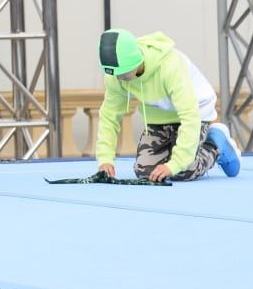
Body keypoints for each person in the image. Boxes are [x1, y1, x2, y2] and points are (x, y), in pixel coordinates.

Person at [93, 28, 241, 182]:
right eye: (115, 74)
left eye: (123, 74)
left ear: (136, 62)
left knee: (185, 170)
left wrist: (175, 164)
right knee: (145, 172)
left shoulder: (170, 66)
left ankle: (216, 142)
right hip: (158, 117)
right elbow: (109, 117)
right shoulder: (115, 76)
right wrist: (105, 159)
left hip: (196, 111)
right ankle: (183, 152)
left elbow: (189, 116)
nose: (119, 79)